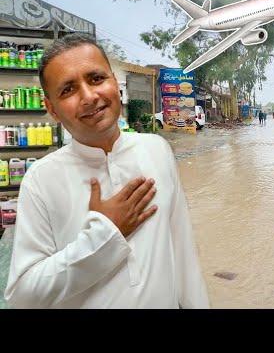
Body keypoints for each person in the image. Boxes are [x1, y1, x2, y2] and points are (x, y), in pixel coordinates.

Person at [4, 34, 210, 308]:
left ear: (114, 82)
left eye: (96, 78)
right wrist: (104, 234)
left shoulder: (157, 150)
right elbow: (22, 296)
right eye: (68, 90)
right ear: (51, 109)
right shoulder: (40, 180)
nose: (89, 96)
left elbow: (183, 253)